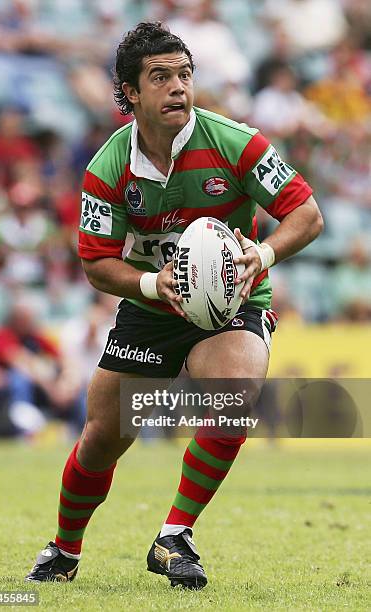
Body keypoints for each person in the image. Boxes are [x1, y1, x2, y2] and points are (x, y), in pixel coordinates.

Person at [26, 22, 323, 589]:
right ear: (130, 92)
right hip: (152, 304)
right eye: (160, 77)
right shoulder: (108, 168)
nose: (179, 88)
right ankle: (64, 549)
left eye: (185, 75)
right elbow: (95, 262)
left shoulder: (237, 142)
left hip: (232, 296)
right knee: (101, 439)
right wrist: (149, 286)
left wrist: (260, 255)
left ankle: (174, 535)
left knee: (233, 402)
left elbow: (306, 215)